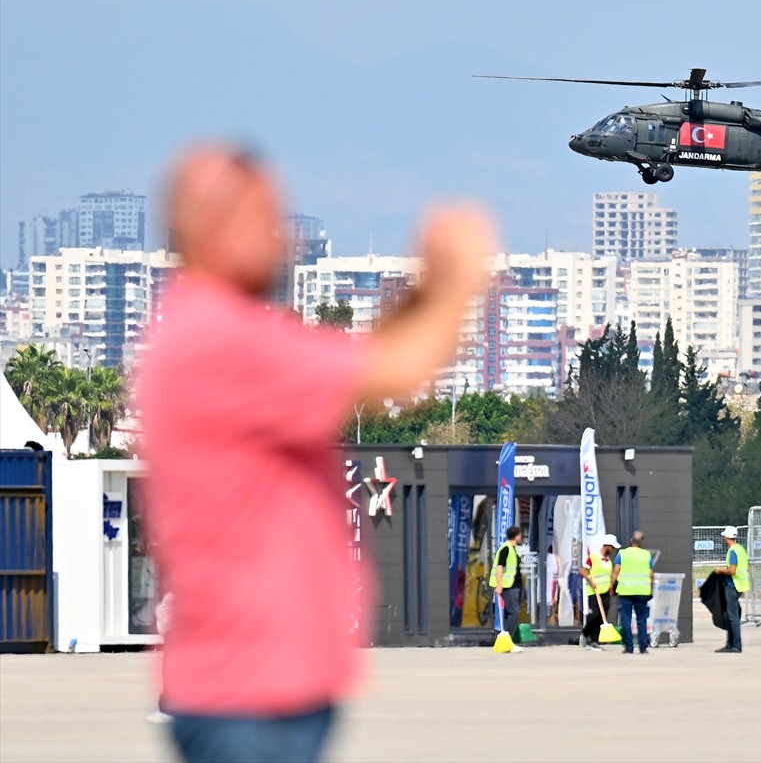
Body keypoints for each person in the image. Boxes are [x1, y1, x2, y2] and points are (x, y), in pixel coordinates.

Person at [137, 142, 496, 763]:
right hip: (250, 697)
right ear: (215, 228)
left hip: (257, 689)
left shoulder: (210, 331)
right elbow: (402, 369)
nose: (282, 238)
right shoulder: (220, 339)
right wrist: (462, 273)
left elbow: (366, 359)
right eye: (262, 219)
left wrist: (422, 292)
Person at [612, 530, 654, 654]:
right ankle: (643, 647)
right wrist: (650, 588)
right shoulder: (646, 555)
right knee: (642, 620)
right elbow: (651, 574)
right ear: (641, 542)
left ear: (631, 540)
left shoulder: (622, 554)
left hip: (625, 591)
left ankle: (629, 647)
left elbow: (615, 572)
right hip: (642, 591)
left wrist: (612, 586)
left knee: (626, 618)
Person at [579, 533, 620, 650]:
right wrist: (590, 581)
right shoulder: (593, 557)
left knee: (602, 617)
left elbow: (609, 577)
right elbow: (583, 571)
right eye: (612, 547)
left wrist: (612, 588)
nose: (613, 550)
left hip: (605, 592)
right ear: (607, 546)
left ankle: (594, 640)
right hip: (594, 592)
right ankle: (585, 633)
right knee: (594, 615)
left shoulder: (609, 562)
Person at [712, 526, 749, 653]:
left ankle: (735, 645)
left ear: (726, 537)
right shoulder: (740, 549)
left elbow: (732, 570)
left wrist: (720, 570)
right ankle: (730, 644)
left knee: (732, 617)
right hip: (739, 586)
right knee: (730, 616)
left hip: (732, 586)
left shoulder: (732, 551)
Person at [489, 525, 524, 652]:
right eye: (520, 534)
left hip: (514, 586)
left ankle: (508, 641)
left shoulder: (512, 549)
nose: (521, 537)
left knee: (512, 613)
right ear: (516, 536)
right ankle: (507, 641)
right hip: (509, 587)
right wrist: (499, 585)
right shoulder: (506, 548)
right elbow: (499, 567)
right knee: (514, 612)